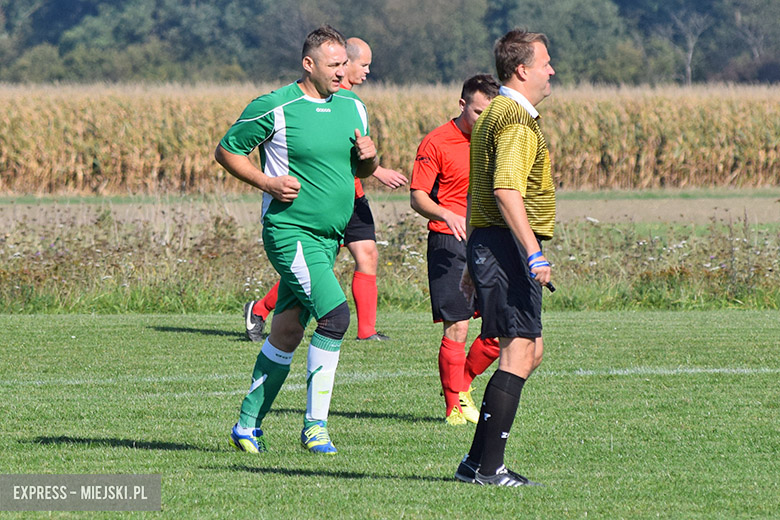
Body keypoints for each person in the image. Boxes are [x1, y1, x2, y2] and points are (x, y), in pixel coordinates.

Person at [215, 25, 379, 455]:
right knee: (337, 317)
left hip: (330, 238)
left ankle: (246, 426)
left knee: (286, 332)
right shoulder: (276, 105)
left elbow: (358, 173)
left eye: (345, 63)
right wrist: (266, 183)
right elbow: (227, 150)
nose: (342, 72)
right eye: (334, 65)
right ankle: (315, 428)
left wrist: (370, 159)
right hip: (289, 232)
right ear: (309, 65)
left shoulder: (354, 107)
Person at [244, 37, 407, 343]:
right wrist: (379, 171)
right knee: (317, 267)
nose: (367, 71)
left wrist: (372, 163)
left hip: (351, 198)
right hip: (314, 205)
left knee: (367, 254)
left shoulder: (353, 105)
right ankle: (261, 309)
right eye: (363, 64)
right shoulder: (314, 99)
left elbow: (359, 156)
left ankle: (367, 331)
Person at [454, 29, 556, 486]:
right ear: (522, 69)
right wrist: (532, 254)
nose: (552, 70)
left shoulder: (495, 111)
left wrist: (476, 264)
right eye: (546, 62)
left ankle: (475, 463)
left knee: (530, 351)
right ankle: (489, 469)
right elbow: (504, 189)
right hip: (507, 244)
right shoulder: (514, 118)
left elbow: (478, 189)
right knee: (518, 352)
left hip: (491, 244)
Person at [409, 75, 501, 426]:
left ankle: (462, 385)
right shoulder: (437, 142)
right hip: (449, 240)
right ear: (462, 105)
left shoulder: (498, 140)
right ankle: (453, 409)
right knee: (458, 328)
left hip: (490, 240)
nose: (484, 120)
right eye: (478, 112)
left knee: (499, 328)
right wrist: (446, 212)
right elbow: (418, 196)